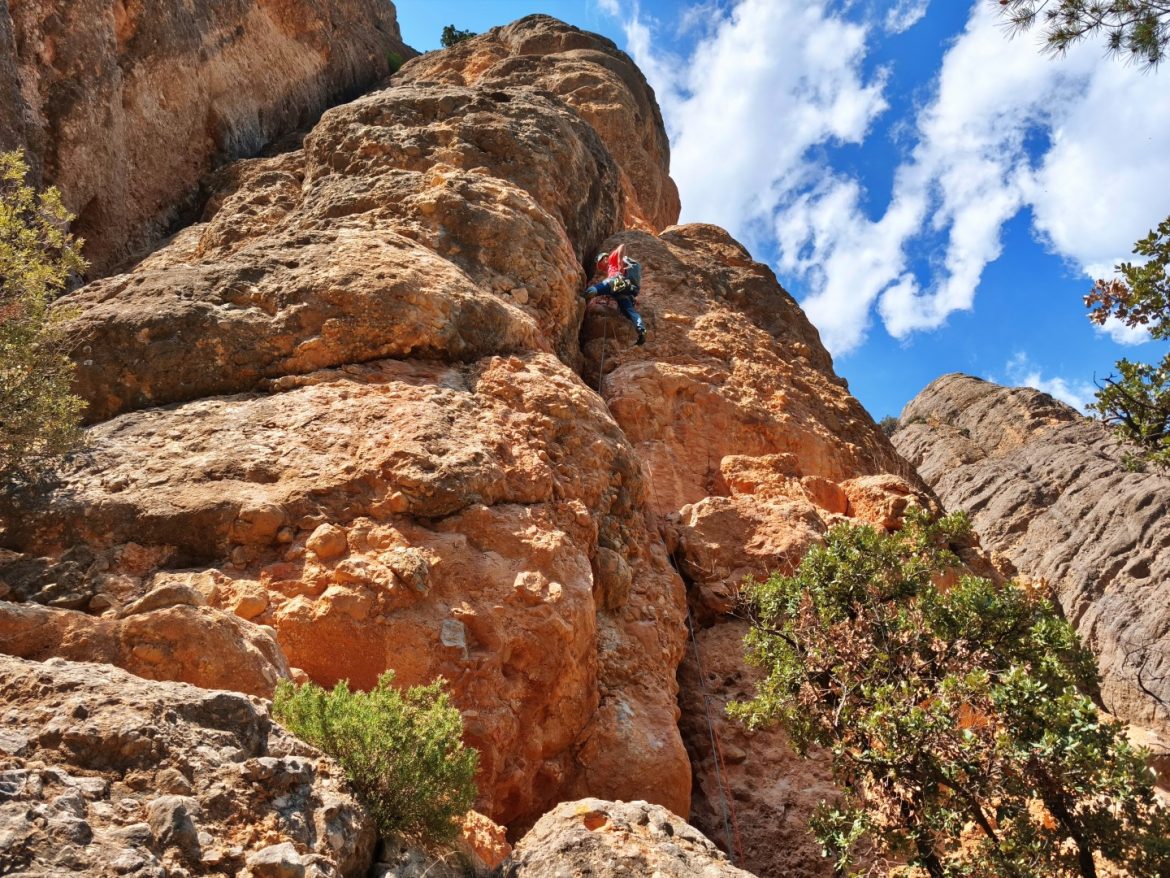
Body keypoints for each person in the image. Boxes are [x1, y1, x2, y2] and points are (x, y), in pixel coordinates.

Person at [582, 244, 646, 345]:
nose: (600, 268)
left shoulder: (611, 259)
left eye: (599, 264)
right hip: (625, 289)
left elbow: (622, 246)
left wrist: (620, 263)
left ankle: (585, 294)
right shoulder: (610, 270)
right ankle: (641, 330)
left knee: (601, 286)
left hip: (619, 281)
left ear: (605, 258)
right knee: (628, 310)